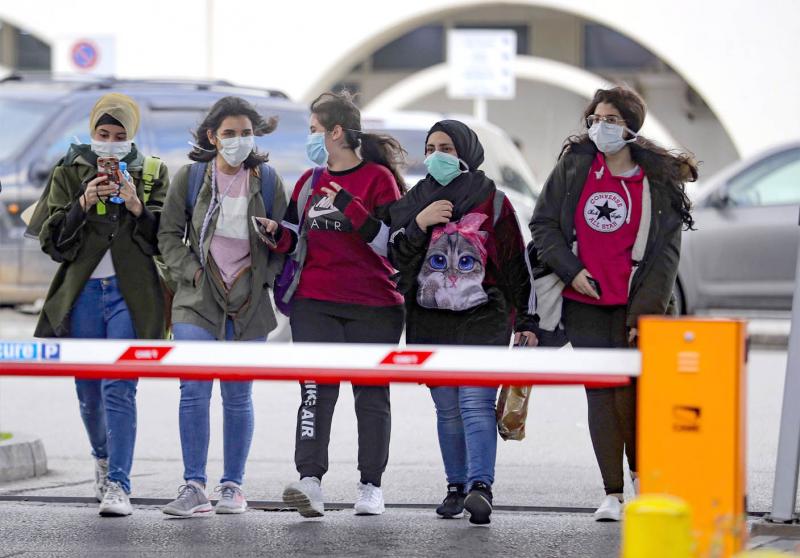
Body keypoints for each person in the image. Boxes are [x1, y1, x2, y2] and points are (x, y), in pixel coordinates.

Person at [530, 86, 697, 521]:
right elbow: (543, 225)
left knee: (636, 395)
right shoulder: (575, 168)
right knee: (600, 394)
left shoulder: (656, 181)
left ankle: (643, 476)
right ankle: (612, 492)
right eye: (595, 119)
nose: (600, 127)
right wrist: (572, 271)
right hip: (583, 301)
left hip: (634, 306)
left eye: (610, 120)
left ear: (630, 127)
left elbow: (665, 256)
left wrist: (646, 315)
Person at [257, 92, 405, 518]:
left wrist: (350, 207)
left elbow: (390, 245)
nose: (311, 138)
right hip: (315, 302)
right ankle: (310, 482)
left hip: (374, 304)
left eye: (313, 130)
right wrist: (274, 233)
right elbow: (293, 236)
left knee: (371, 396)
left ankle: (370, 487)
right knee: (314, 393)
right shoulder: (308, 182)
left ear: (336, 132)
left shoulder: (378, 178)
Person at [388, 119, 539, 526]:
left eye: (448, 148)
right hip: (429, 319)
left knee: (475, 404)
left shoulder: (493, 201)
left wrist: (527, 319)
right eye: (431, 147)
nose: (438, 155)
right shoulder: (414, 200)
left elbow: (514, 261)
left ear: (467, 153)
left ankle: (480, 487)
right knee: (447, 410)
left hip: (484, 318)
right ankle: (455, 487)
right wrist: (421, 224)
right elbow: (397, 259)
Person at [35, 93, 170, 516]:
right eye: (103, 134)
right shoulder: (69, 169)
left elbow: (162, 240)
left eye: (120, 135)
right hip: (84, 295)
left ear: (132, 137)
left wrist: (135, 204)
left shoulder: (152, 172)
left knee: (120, 388)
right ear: (92, 132)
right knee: (89, 392)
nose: (111, 143)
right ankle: (102, 457)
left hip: (131, 295)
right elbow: (52, 243)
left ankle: (119, 485)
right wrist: (82, 202)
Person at [157, 96, 288, 517]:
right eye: (229, 133)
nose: (237, 141)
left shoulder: (267, 181)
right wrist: (192, 274)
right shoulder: (192, 177)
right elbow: (168, 235)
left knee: (237, 394)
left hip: (248, 300)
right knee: (193, 390)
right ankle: (194, 485)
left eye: (245, 133)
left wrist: (267, 264)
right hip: (198, 297)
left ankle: (233, 485)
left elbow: (286, 241)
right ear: (212, 136)